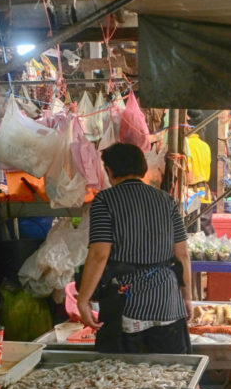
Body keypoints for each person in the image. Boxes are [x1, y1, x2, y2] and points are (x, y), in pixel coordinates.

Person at [77, 142, 192, 354]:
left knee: (126, 378)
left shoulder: (105, 200)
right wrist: (187, 297)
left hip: (129, 308)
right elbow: (182, 254)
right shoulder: (166, 200)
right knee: (170, 376)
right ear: (143, 168)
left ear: (109, 171)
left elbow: (99, 254)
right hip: (168, 304)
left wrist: (83, 300)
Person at [185, 109, 212, 202]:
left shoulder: (185, 145)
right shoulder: (205, 146)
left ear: (188, 127)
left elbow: (188, 177)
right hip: (206, 197)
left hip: (191, 198)